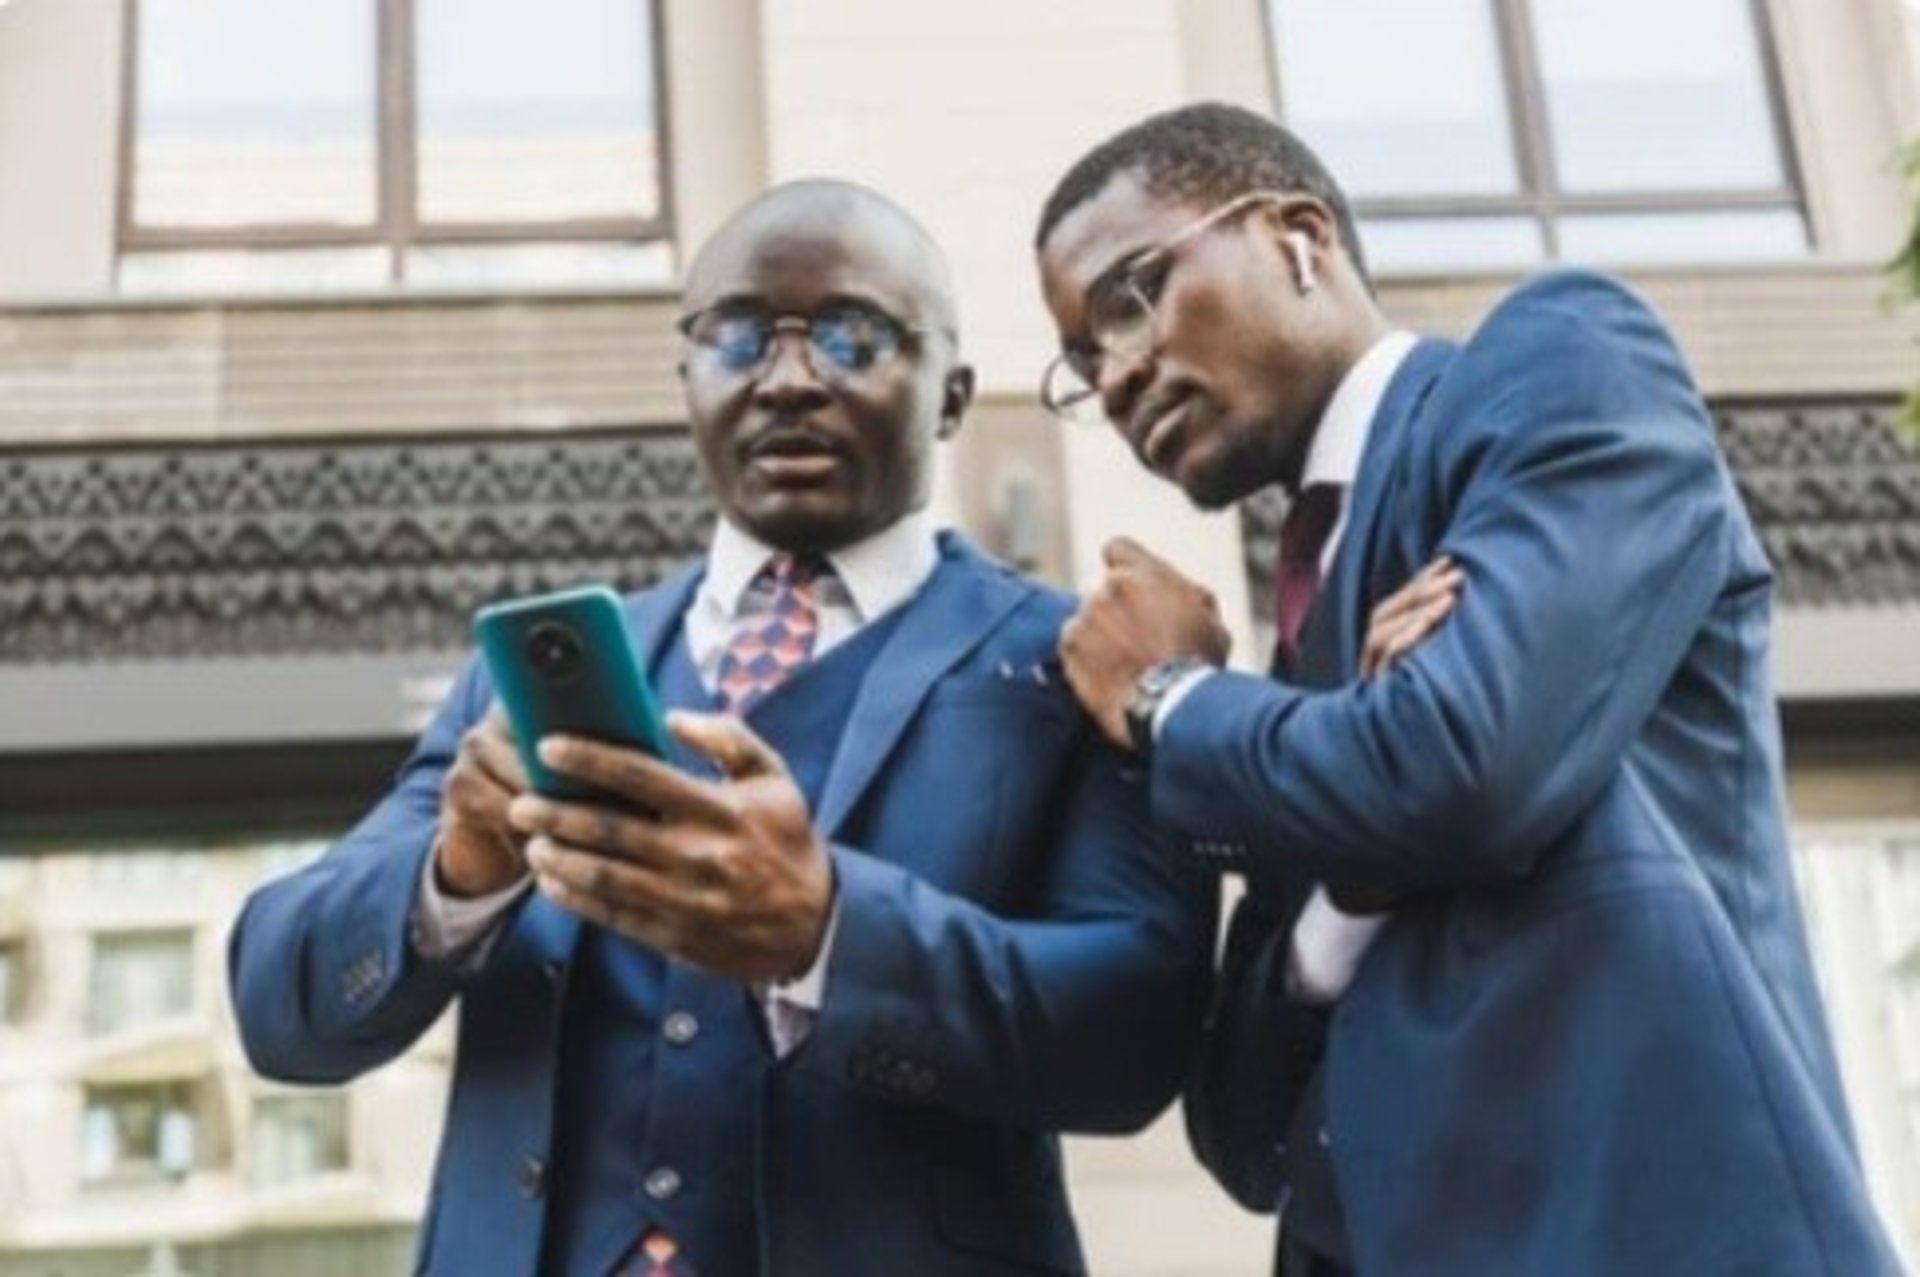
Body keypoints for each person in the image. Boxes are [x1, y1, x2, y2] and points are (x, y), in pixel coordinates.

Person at [229, 178, 1217, 1276]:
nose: (789, 379)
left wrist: (830, 935)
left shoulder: (1071, 663)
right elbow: (284, 1008)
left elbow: (1136, 1032)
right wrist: (456, 871)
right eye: (737, 335)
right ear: (686, 379)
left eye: (854, 336)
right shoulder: (526, 680)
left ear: (950, 394)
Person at [1032, 103, 1900, 1275]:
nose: (1121, 371)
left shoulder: (1562, 366)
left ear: (1298, 235)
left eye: (1133, 297)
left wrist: (1169, 697)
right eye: (1086, 360)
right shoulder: (1300, 674)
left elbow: (1461, 766)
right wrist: (1356, 863)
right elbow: (1241, 1127)